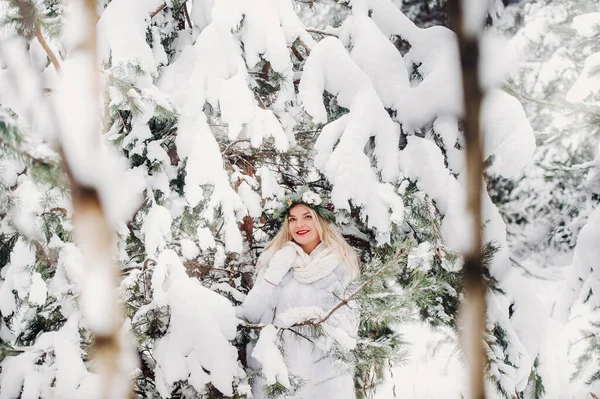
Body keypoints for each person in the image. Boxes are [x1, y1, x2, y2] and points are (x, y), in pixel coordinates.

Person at [240, 187, 360, 399]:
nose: (299, 225)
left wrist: (309, 315)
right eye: (293, 219)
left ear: (320, 221)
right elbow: (251, 316)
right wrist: (273, 275)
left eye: (307, 217)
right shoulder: (277, 260)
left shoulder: (341, 265)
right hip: (281, 376)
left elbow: (349, 327)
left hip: (326, 376)